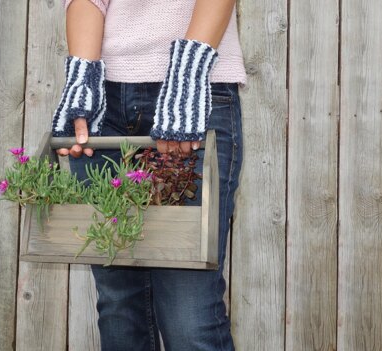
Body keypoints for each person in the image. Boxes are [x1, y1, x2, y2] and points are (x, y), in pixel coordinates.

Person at [51, 0, 247, 350]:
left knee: (189, 314)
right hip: (103, 99)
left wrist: (186, 76)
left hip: (197, 88)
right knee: (119, 306)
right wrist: (83, 80)